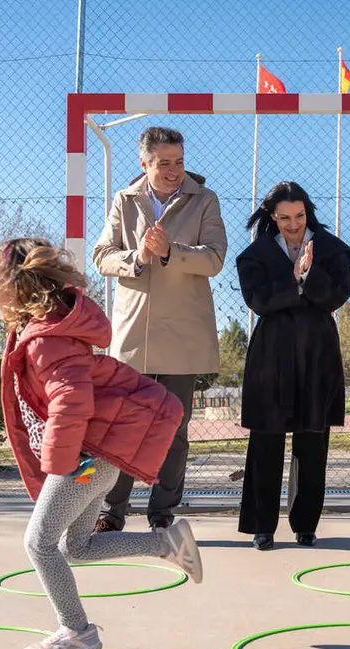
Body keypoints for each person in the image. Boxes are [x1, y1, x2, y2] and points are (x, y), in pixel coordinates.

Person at [0, 237, 203, 649]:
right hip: (92, 459)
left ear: (16, 286)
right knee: (75, 547)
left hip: (82, 462)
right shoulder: (40, 331)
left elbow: (71, 401)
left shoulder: (48, 339)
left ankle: (77, 631)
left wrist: (60, 466)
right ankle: (166, 544)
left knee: (39, 543)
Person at [92, 126, 227, 533]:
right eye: (164, 163)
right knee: (123, 427)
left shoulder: (205, 200)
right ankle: (112, 512)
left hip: (183, 336)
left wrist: (171, 252)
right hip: (134, 336)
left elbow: (215, 258)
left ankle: (161, 515)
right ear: (144, 163)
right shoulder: (124, 200)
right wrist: (137, 257)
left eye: (179, 162)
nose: (174, 171)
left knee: (175, 430)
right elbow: (101, 255)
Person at [235, 182, 350, 550]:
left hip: (316, 352)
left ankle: (306, 524)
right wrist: (293, 278)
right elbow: (258, 301)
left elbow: (337, 296)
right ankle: (263, 526)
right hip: (271, 355)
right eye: (285, 217)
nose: (293, 224)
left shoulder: (331, 249)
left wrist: (308, 275)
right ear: (272, 216)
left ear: (309, 212)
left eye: (300, 216)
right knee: (266, 441)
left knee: (313, 441)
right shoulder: (255, 255)